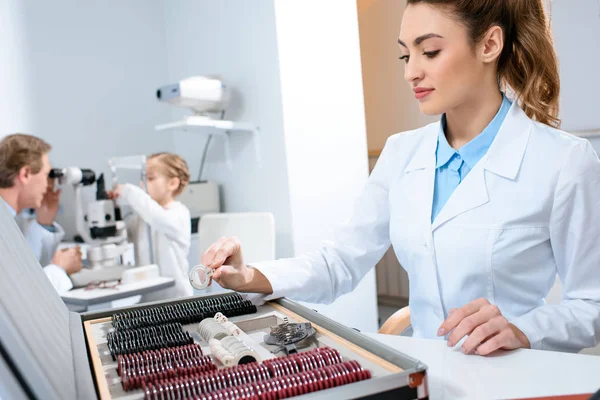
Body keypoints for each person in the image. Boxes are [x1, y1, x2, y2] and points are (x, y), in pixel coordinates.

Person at [199, 0, 600, 355]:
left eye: (430, 51)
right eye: (405, 56)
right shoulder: (400, 152)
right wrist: (250, 276)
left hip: (516, 380)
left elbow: (592, 305)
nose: (412, 72)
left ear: (489, 45)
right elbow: (339, 261)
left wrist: (522, 329)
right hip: (428, 374)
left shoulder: (565, 161)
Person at [0, 134, 82, 292]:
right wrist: (59, 270)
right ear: (25, 174)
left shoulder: (7, 219)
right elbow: (14, 294)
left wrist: (45, 221)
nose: (49, 183)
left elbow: (23, 270)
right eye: (46, 175)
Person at [108, 152, 192, 300]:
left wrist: (128, 191)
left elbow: (157, 218)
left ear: (172, 183)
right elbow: (121, 238)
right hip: (149, 297)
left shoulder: (179, 214)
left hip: (177, 298)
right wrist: (112, 209)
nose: (143, 184)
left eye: (150, 178)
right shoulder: (140, 219)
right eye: (143, 178)